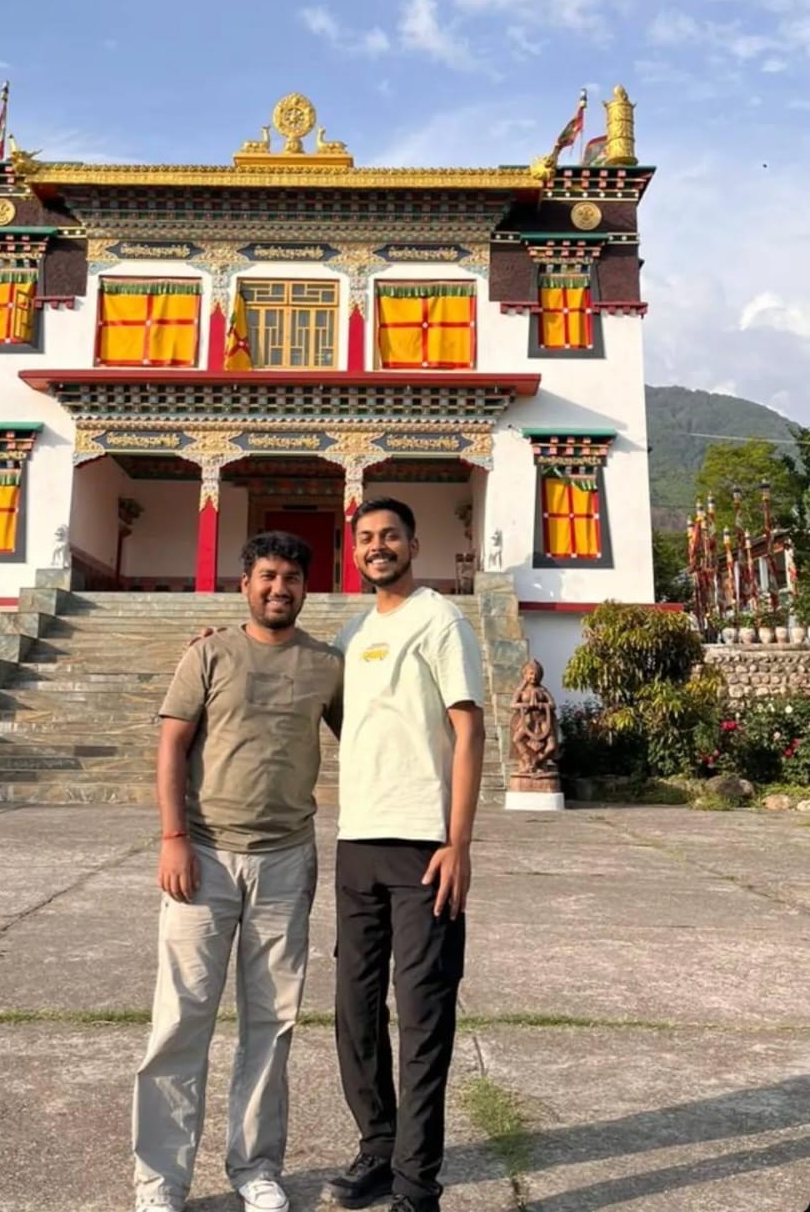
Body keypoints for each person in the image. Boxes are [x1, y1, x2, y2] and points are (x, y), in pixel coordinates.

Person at [132, 531, 344, 1212]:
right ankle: (161, 1178)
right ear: (244, 583)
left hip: (286, 860)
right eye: (266, 576)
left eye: (290, 578)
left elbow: (366, 735)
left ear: (305, 588)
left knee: (273, 1024)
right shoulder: (209, 653)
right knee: (181, 1019)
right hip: (203, 857)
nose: (278, 588)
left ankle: (256, 1166)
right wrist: (172, 837)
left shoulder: (326, 666)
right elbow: (171, 746)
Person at [325, 497, 486, 1212]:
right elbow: (327, 708)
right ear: (354, 550)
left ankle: (418, 1187)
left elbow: (469, 728)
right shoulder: (352, 632)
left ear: (413, 543)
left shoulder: (440, 618)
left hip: (424, 847)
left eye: (390, 535)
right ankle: (378, 1150)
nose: (377, 546)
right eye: (365, 538)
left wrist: (459, 842)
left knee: (421, 1017)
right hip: (357, 841)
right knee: (354, 1012)